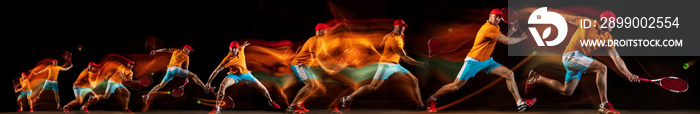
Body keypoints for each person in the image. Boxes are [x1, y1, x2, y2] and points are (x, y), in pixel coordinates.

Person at [525, 10, 640, 114]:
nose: (614, 24)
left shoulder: (607, 36)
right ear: (604, 20)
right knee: (602, 68)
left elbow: (616, 58)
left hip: (580, 61)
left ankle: (537, 78)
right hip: (571, 56)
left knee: (567, 90)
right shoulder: (587, 22)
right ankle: (604, 105)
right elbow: (565, 17)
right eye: (612, 22)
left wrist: (629, 74)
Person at [425, 8, 535, 113]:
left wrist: (511, 31)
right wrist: (521, 38)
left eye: (499, 18)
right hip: (473, 61)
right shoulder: (488, 28)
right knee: (455, 86)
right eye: (496, 17)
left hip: (487, 61)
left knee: (509, 74)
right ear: (490, 16)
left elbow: (498, 40)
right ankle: (432, 99)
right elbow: (506, 41)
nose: (497, 19)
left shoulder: (495, 27)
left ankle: (520, 103)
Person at [340, 19, 425, 110]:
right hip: (386, 66)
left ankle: (420, 105)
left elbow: (382, 44)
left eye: (403, 27)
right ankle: (348, 98)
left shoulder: (392, 35)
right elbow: (405, 58)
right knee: (372, 87)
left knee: (414, 80)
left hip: (396, 66)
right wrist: (420, 64)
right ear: (394, 27)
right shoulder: (394, 40)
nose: (402, 28)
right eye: (400, 26)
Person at [206, 41, 281, 114]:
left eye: (235, 48)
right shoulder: (227, 60)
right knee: (222, 85)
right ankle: (217, 108)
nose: (234, 50)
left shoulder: (241, 49)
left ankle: (270, 101)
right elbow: (216, 71)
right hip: (233, 75)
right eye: (232, 48)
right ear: (229, 48)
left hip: (246, 75)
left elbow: (242, 46)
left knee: (262, 88)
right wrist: (208, 82)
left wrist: (244, 45)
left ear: (238, 48)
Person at [143, 45, 212, 111]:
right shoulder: (186, 56)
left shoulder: (176, 50)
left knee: (161, 85)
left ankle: (147, 95)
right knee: (194, 75)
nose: (190, 52)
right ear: (186, 48)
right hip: (176, 69)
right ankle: (205, 88)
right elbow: (186, 68)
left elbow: (166, 49)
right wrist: (186, 77)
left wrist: (156, 51)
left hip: (169, 70)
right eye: (189, 50)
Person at [286, 23, 330, 113]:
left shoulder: (321, 40)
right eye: (326, 30)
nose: (328, 31)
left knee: (315, 86)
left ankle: (299, 103)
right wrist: (326, 69)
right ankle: (291, 107)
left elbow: (324, 55)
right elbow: (316, 60)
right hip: (299, 64)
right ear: (319, 31)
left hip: (306, 65)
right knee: (310, 85)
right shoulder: (314, 41)